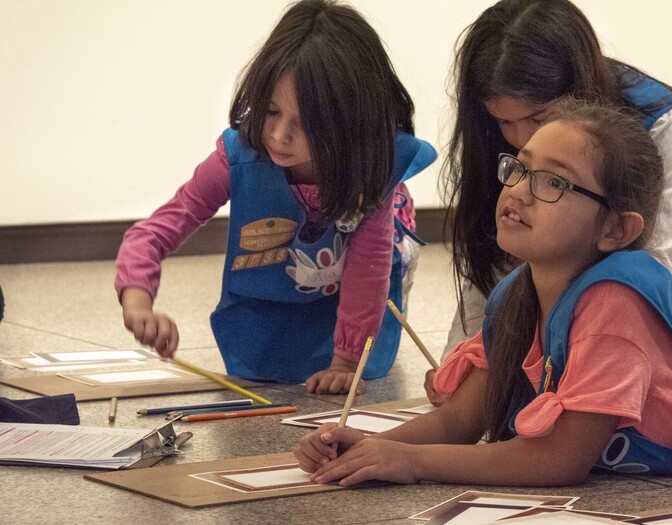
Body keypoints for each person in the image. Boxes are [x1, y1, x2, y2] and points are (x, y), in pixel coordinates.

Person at [295, 102, 672, 487]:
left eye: (553, 182)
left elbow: (561, 458)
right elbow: (464, 420)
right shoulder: (515, 293)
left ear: (615, 230)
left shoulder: (614, 304)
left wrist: (413, 464)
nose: (519, 191)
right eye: (520, 169)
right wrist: (366, 446)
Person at [428, 0, 672, 403]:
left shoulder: (664, 122)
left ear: (577, 90)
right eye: (504, 122)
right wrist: (458, 363)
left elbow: (648, 270)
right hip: (564, 323)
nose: (523, 139)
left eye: (538, 118)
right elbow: (492, 254)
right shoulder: (507, 141)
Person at [114, 0, 436, 391]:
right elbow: (152, 233)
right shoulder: (237, 158)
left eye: (306, 124)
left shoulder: (372, 168)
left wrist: (346, 361)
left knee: (384, 255)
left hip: (359, 287)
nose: (279, 136)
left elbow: (368, 269)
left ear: (352, 124)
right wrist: (137, 303)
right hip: (278, 294)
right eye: (269, 111)